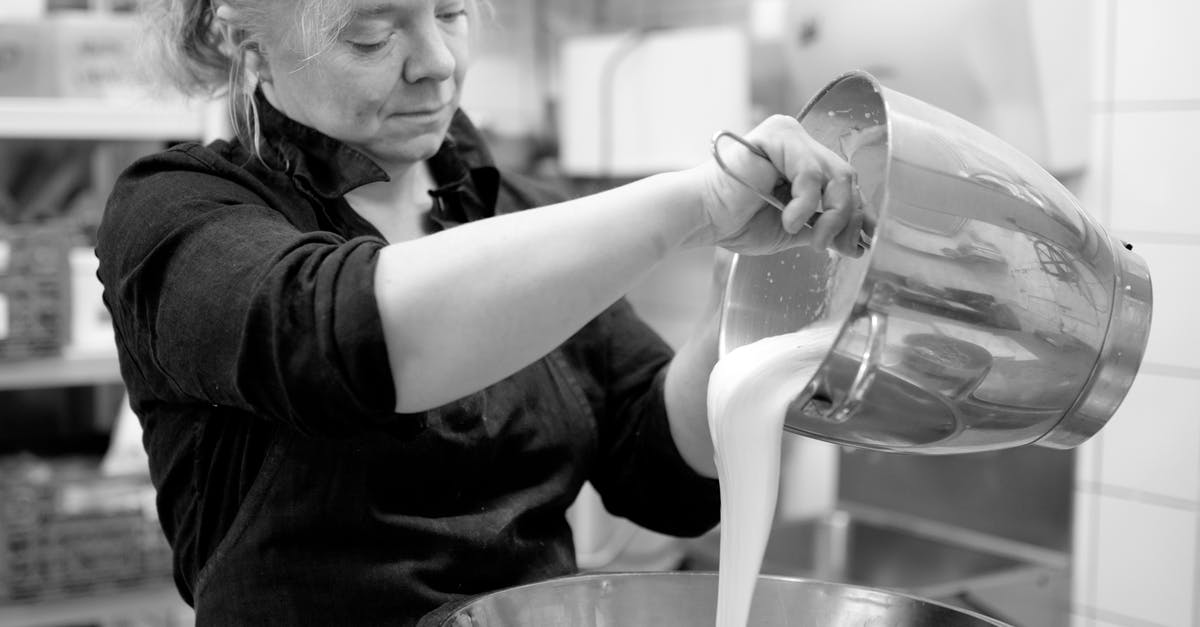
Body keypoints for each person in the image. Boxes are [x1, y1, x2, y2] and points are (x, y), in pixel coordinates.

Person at [96, 0, 867, 624]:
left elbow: (660, 466)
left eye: (452, 12)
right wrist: (694, 202)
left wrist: (747, 299)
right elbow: (342, 334)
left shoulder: (517, 214)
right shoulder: (177, 215)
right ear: (248, 45)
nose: (435, 62)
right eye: (370, 32)